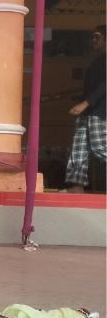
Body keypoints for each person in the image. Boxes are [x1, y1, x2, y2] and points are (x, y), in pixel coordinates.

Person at [63, 25, 106, 193]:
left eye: (97, 37)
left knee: (99, 147)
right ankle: (76, 187)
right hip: (87, 112)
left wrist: (85, 103)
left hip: (100, 113)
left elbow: (104, 86)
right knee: (78, 150)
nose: (93, 41)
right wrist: (82, 104)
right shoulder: (98, 61)